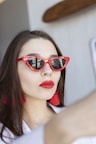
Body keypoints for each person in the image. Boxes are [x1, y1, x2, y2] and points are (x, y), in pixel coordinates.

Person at [0, 30, 96, 144]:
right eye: (35, 62)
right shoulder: (3, 133)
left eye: (55, 62)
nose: (48, 71)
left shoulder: (84, 121)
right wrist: (58, 130)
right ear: (12, 70)